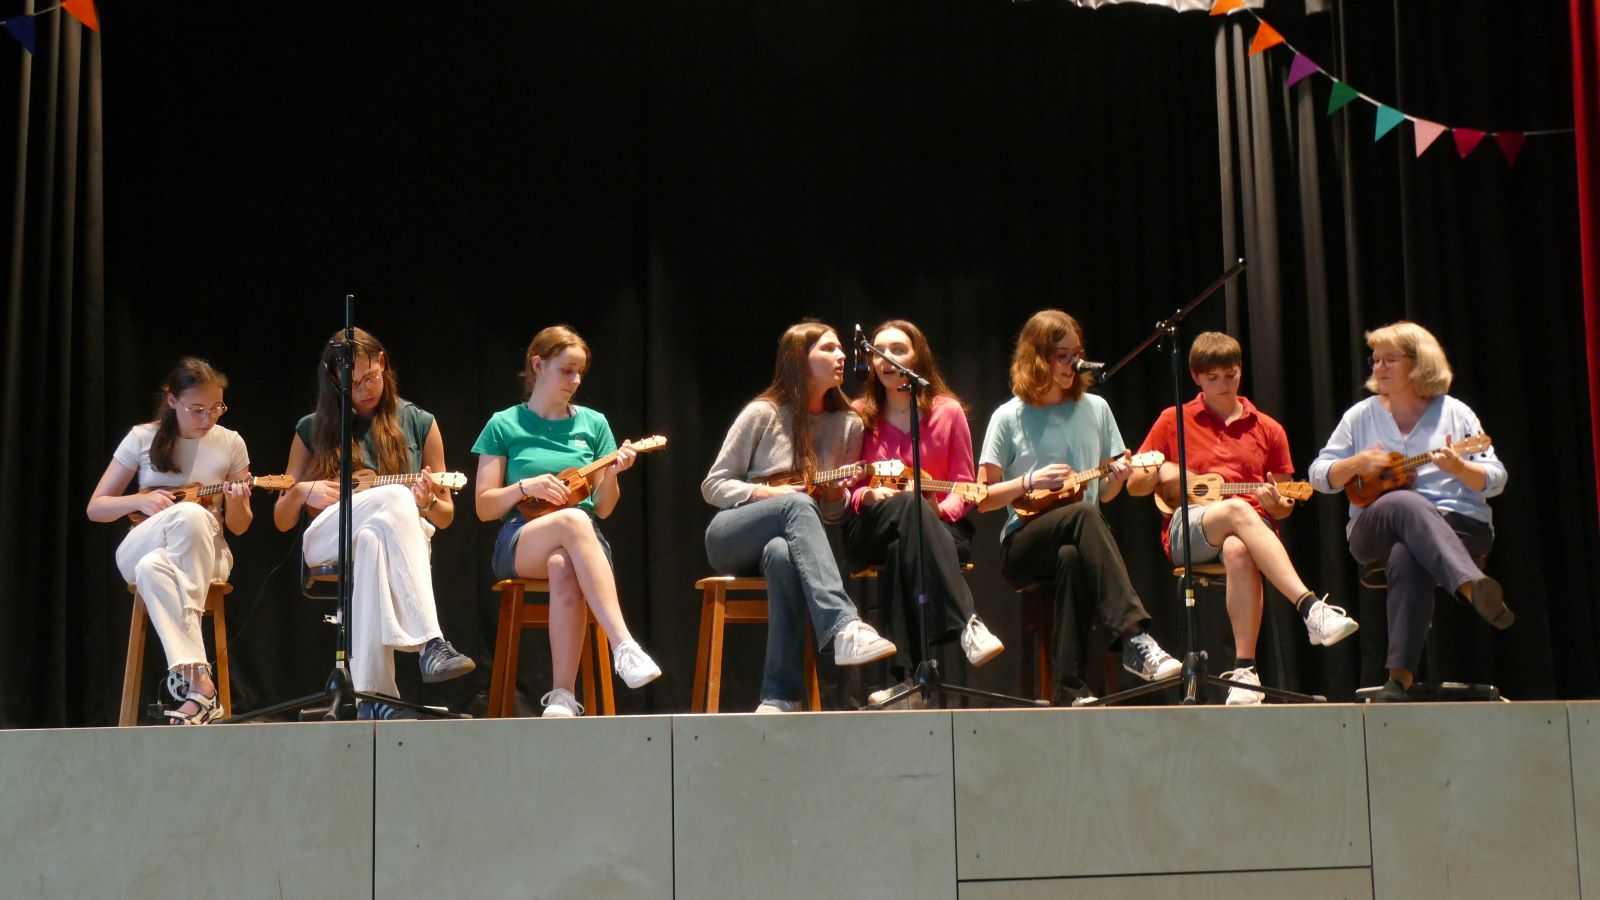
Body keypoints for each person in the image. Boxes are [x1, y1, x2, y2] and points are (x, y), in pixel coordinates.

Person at [1128, 332, 1358, 705]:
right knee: (1238, 509)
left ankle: (1244, 670)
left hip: (1252, 533)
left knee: (1238, 547)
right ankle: (1309, 606)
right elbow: (1136, 486)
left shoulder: (1267, 428)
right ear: (1196, 377)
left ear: (1241, 370)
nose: (1224, 384)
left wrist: (1275, 501)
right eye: (1213, 377)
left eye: (1231, 374)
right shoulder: (1174, 420)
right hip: (1190, 529)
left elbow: (1284, 505)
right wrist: (1167, 470)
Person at [977, 309, 1180, 706]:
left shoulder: (1096, 409)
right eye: (1062, 356)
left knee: (1072, 554)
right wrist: (1028, 482)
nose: (1074, 364)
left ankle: (1070, 689)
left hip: (1081, 539)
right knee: (1084, 517)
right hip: (1024, 542)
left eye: (1077, 354)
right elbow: (982, 498)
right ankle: (1134, 637)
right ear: (1037, 358)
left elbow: (1105, 493)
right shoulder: (1008, 416)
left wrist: (1119, 475)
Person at [272, 328, 475, 719]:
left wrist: (428, 500)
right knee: (394, 498)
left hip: (400, 540)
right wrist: (302, 492)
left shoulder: (419, 422)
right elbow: (281, 521)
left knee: (371, 540)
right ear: (335, 381)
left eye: (371, 378)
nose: (364, 389)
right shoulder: (311, 427)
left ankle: (373, 698)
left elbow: (445, 515)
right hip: (328, 536)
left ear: (383, 363)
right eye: (353, 384)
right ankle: (431, 643)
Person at [1309, 321, 1511, 702]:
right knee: (1406, 502)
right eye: (1375, 359)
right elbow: (1318, 476)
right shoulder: (1361, 416)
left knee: (1407, 552)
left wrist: (1459, 468)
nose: (1378, 367)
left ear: (1419, 364)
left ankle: (1397, 681)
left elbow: (1496, 478)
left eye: (1390, 359)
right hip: (1375, 528)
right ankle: (1470, 585)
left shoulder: (1456, 414)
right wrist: (1356, 463)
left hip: (1458, 524)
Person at [702, 320, 897, 713]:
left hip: (788, 539)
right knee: (796, 505)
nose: (841, 356)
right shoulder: (762, 414)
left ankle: (780, 696)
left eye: (840, 348)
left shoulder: (848, 424)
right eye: (828, 348)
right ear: (799, 359)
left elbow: (833, 516)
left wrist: (836, 493)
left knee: (782, 555)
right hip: (733, 534)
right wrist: (767, 493)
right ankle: (844, 627)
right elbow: (713, 485)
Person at [471, 325, 662, 717]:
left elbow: (603, 508)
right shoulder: (504, 424)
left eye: (580, 373)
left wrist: (613, 473)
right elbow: (484, 507)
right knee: (574, 521)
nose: (575, 381)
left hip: (582, 540)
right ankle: (623, 644)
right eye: (566, 371)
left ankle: (562, 695)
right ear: (538, 365)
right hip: (521, 538)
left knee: (564, 562)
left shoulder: (594, 424)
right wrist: (523, 487)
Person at [88, 357, 253, 724]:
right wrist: (139, 500)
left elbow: (240, 527)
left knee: (155, 566)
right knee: (188, 514)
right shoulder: (141, 437)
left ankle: (199, 686)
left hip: (210, 553)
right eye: (198, 409)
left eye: (217, 408)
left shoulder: (231, 443)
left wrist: (238, 501)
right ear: (173, 400)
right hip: (142, 542)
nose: (208, 418)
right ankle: (201, 679)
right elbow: (96, 508)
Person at [847, 319, 1002, 709]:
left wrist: (938, 510)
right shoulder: (858, 415)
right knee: (905, 507)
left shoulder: (948, 412)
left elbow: (964, 485)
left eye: (898, 349)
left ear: (918, 357)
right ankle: (966, 623)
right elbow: (848, 490)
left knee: (904, 543)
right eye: (879, 350)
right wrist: (868, 494)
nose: (886, 358)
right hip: (873, 525)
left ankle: (907, 681)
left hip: (939, 527)